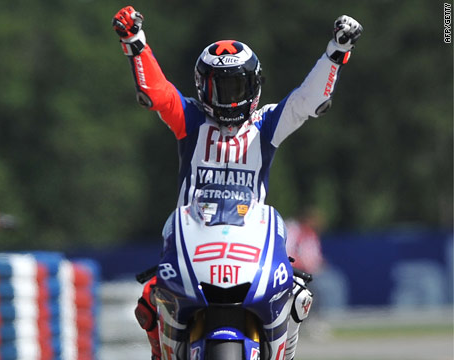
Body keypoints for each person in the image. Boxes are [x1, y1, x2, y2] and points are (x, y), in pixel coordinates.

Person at [112, 6, 362, 360]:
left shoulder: (265, 124)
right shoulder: (191, 120)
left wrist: (335, 54)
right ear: (202, 87)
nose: (228, 97)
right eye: (219, 87)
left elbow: (308, 101)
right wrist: (135, 42)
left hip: (251, 242)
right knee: (150, 299)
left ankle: (284, 353)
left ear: (255, 85)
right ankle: (161, 353)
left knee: (297, 294)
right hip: (194, 241)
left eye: (237, 86)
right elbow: (158, 93)